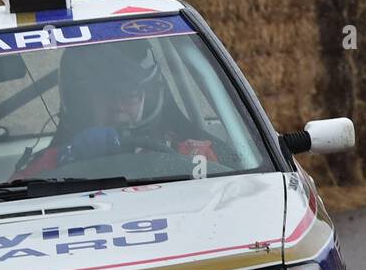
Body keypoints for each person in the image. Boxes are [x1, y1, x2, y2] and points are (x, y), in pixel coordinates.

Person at [15, 41, 222, 178]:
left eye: (129, 95)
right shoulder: (56, 160)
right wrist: (66, 159)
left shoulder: (189, 153)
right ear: (82, 103)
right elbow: (11, 193)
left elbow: (220, 195)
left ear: (146, 98)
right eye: (105, 95)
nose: (117, 106)